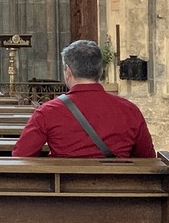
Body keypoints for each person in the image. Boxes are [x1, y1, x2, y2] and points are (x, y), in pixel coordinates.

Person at [12, 39, 156, 158]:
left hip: (65, 191)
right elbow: (147, 158)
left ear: (68, 71)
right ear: (101, 70)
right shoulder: (129, 110)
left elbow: (22, 157)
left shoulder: (48, 112)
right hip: (117, 190)